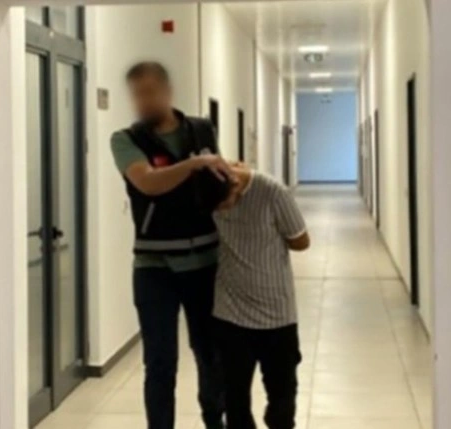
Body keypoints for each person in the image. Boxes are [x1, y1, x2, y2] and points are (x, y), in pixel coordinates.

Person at [110, 61, 231, 429]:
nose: (143, 101)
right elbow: (147, 182)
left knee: (210, 353)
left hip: (205, 262)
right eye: (136, 94)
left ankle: (214, 420)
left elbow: (219, 181)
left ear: (167, 91)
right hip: (154, 267)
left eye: (149, 91)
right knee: (160, 362)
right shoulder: (126, 140)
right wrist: (193, 165)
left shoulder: (202, 129)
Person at [202, 165, 310, 429]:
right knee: (234, 395)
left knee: (282, 394)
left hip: (276, 312)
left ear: (236, 185)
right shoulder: (208, 189)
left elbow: (301, 241)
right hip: (230, 310)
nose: (222, 212)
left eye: (224, 204)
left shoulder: (274, 193)